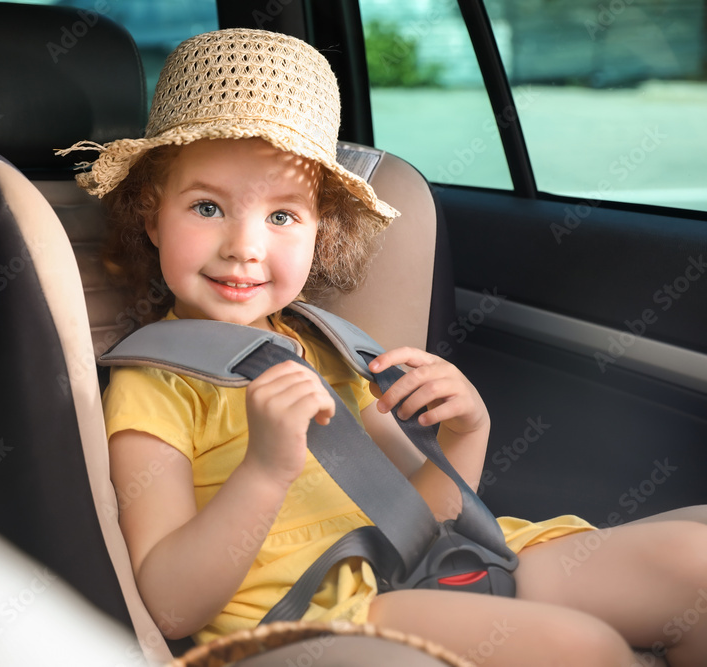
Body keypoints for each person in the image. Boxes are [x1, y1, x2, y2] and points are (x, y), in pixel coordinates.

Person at [60, 28, 707, 666]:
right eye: (207, 208)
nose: (244, 247)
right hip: (322, 615)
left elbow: (421, 515)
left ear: (321, 231)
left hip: (422, 565)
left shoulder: (329, 343)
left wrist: (464, 434)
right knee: (581, 648)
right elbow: (172, 604)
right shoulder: (155, 385)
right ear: (150, 214)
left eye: (282, 216)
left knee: (696, 567)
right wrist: (263, 469)